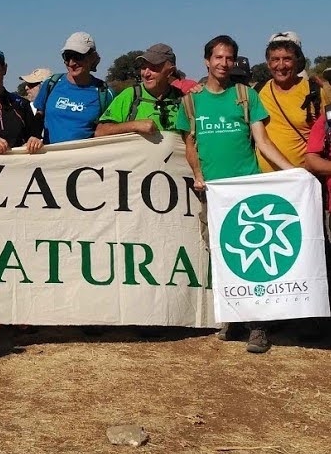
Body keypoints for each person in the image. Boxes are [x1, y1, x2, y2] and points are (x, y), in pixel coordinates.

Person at [176, 34, 294, 354]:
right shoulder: (191, 100)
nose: (224, 64)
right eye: (218, 58)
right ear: (207, 60)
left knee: (249, 257)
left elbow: (264, 143)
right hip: (212, 192)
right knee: (219, 254)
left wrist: (292, 173)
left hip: (246, 189)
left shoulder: (246, 96)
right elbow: (190, 145)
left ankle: (258, 327)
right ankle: (232, 316)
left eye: (229, 58)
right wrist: (198, 176)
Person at [256, 31, 326, 172]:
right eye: (275, 59)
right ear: (268, 64)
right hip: (265, 181)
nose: (281, 66)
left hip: (304, 179)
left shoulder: (314, 91)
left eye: (287, 59)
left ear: (297, 61)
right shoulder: (258, 91)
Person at [33, 32, 113, 145]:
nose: (71, 63)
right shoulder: (51, 83)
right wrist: (34, 137)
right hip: (50, 160)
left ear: (92, 57)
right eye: (67, 56)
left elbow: (111, 129)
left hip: (86, 160)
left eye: (78, 56)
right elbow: (38, 118)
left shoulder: (104, 93)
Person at [95, 44, 184, 137]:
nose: (146, 73)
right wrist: (134, 125)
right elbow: (100, 131)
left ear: (170, 71)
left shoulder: (183, 99)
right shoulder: (130, 95)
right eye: (143, 67)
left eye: (153, 68)